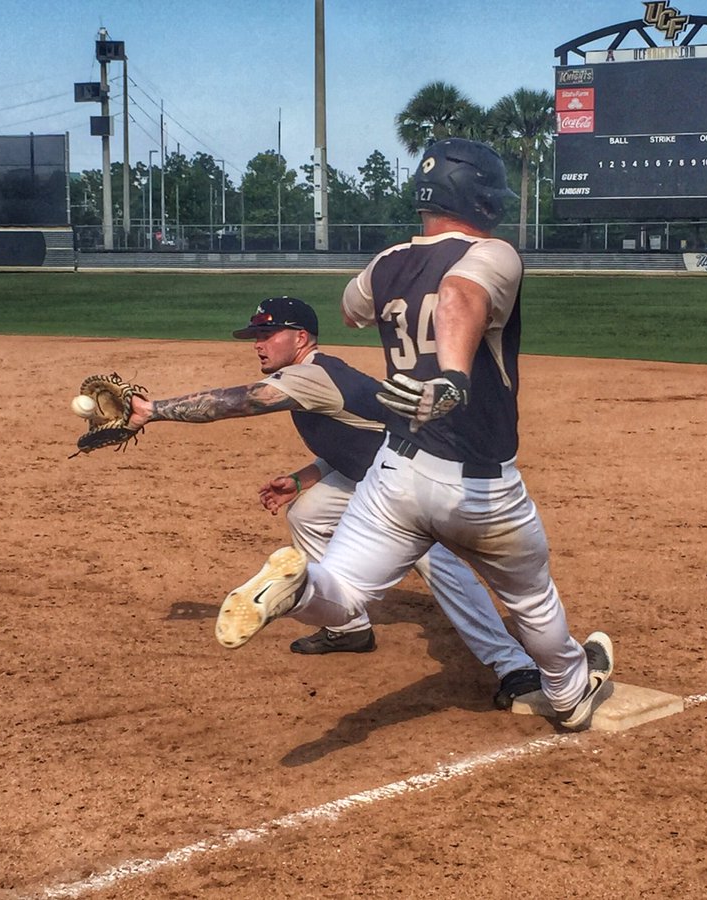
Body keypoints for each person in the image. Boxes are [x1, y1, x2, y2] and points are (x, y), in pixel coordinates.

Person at [215, 139, 613, 731]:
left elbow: (352, 308)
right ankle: (568, 690)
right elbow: (459, 293)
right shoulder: (494, 252)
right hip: (480, 487)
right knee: (531, 598)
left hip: (397, 473)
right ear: (479, 194)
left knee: (343, 588)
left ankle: (299, 593)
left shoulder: (388, 262)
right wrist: (451, 376)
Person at [128, 295, 544, 707]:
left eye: (268, 334)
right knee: (307, 514)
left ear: (301, 337)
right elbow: (360, 439)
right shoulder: (309, 375)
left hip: (423, 479)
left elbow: (236, 402)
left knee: (441, 566)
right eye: (256, 335)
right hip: (376, 474)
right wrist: (301, 478)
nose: (258, 343)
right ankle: (349, 629)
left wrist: (154, 410)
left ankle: (513, 665)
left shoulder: (310, 377)